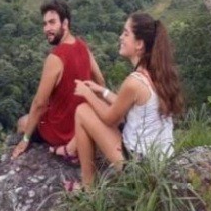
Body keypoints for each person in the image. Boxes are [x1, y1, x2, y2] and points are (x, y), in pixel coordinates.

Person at [70, 12, 184, 188]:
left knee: (82, 111)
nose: (120, 37)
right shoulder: (158, 73)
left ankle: (88, 186)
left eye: (125, 33)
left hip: (139, 167)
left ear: (139, 44)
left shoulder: (134, 82)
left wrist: (87, 93)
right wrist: (104, 91)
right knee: (100, 113)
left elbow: (110, 117)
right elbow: (129, 106)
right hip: (160, 163)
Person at [12, 0, 104, 159]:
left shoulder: (55, 58)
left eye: (52, 23)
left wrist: (25, 139)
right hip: (81, 125)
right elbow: (100, 82)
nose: (47, 29)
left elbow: (39, 103)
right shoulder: (83, 46)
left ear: (65, 23)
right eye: (45, 24)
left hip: (61, 130)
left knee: (22, 122)